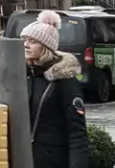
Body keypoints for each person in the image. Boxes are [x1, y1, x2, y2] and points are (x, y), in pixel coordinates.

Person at [19, 10, 88, 168]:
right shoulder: (25, 75)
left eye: (33, 41)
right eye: (24, 39)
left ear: (45, 46)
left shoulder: (64, 80)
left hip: (53, 161)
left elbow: (77, 133)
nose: (26, 44)